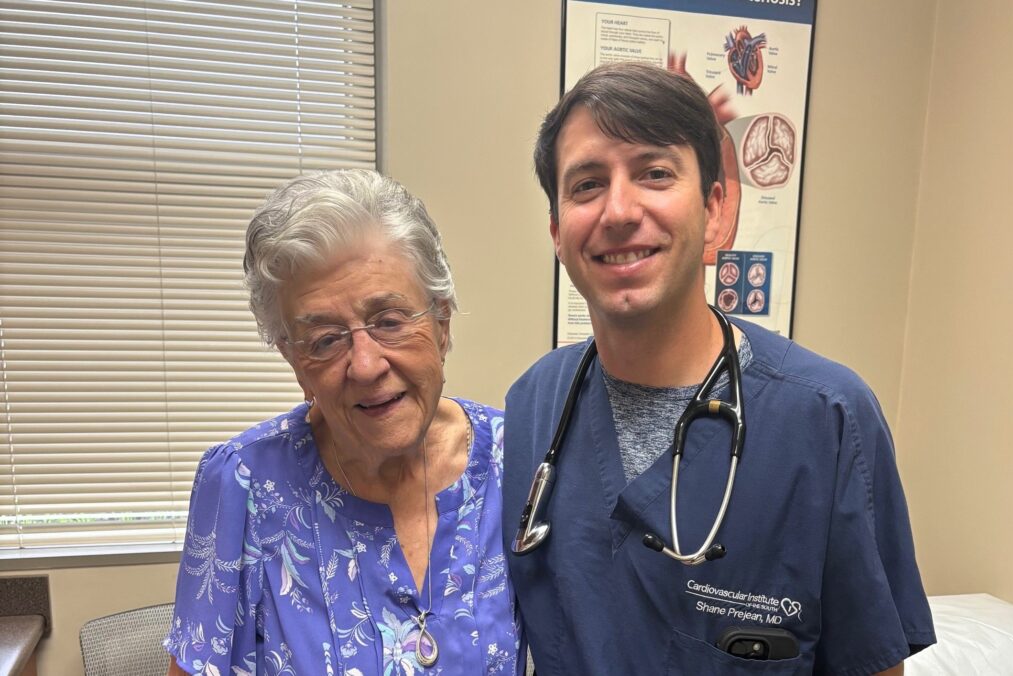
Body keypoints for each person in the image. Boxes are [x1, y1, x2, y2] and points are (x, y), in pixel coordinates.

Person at [502, 63, 935, 675]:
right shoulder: (532, 404)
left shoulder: (829, 418)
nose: (619, 210)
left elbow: (874, 664)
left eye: (655, 173)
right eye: (587, 185)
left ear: (714, 205)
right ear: (556, 230)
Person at [165, 170, 522, 675]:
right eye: (325, 339)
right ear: (294, 360)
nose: (366, 364)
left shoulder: (518, 463)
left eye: (390, 321)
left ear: (442, 323)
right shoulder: (243, 482)